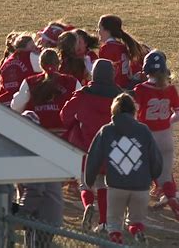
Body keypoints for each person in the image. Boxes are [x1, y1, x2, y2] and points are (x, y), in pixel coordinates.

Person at [85, 93, 163, 245]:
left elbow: (93, 158)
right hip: (141, 187)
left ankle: (116, 240)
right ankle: (137, 231)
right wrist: (154, 176)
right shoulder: (144, 130)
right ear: (134, 110)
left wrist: (89, 180)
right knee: (135, 220)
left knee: (114, 222)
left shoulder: (106, 131)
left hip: (116, 186)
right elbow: (155, 158)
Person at [60, 59, 122, 233]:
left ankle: (88, 204)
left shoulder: (84, 94)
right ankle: (103, 223)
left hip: (86, 147)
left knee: (85, 184)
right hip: (111, 149)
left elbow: (65, 116)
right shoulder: (119, 96)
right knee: (103, 184)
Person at [133, 50, 179, 223]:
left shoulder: (140, 89)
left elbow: (132, 112)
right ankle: (172, 197)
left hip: (146, 136)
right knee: (165, 175)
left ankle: (136, 205)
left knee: (140, 171)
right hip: (165, 136)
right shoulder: (170, 89)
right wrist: (167, 122)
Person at [17, 110, 64, 248]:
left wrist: (21, 213)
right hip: (46, 215)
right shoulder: (41, 149)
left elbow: (35, 189)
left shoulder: (34, 153)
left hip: (41, 217)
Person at [11, 48, 81, 135]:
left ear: (40, 64)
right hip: (65, 137)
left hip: (38, 134)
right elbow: (82, 108)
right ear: (59, 63)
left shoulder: (30, 82)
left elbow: (16, 107)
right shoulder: (72, 82)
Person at [97, 14, 144, 89]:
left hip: (115, 89)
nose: (98, 31)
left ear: (107, 31)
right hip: (126, 85)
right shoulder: (122, 46)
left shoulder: (107, 48)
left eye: (100, 28)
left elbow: (102, 73)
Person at [0, 33, 41, 106]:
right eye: (32, 46)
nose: (35, 47)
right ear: (24, 48)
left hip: (2, 103)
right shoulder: (30, 56)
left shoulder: (8, 61)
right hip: (19, 103)